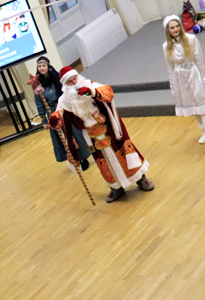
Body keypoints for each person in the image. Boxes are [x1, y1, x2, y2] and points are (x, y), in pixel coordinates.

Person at [48, 67, 154, 203]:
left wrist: (91, 92)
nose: (74, 83)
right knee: (103, 161)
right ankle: (115, 187)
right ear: (65, 85)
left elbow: (108, 92)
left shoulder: (90, 85)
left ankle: (140, 178)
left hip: (110, 129)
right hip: (91, 136)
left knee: (124, 152)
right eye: (70, 81)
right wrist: (54, 120)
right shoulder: (65, 100)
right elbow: (59, 116)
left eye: (74, 78)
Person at [162, 15, 205, 155]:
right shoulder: (166, 46)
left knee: (202, 107)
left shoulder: (191, 39)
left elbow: (200, 61)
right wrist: (173, 87)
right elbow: (170, 68)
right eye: (172, 28)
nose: (175, 29)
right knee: (192, 106)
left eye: (177, 26)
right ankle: (204, 131)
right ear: (168, 30)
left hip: (194, 75)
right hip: (180, 78)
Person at [32, 56, 91, 171]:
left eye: (44, 65)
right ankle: (73, 159)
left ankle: (83, 157)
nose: (42, 68)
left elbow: (69, 89)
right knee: (62, 138)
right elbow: (39, 103)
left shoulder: (58, 78)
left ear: (48, 66)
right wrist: (44, 120)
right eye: (39, 66)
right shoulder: (37, 84)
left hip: (65, 109)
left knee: (75, 134)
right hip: (52, 113)